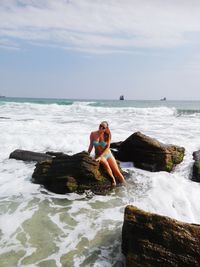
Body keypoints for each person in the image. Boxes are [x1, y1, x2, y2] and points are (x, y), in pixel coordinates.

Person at [88, 121, 126, 186]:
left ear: (106, 129)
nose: (101, 127)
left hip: (107, 154)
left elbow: (107, 148)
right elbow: (91, 145)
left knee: (117, 172)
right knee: (105, 164)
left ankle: (125, 185)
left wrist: (101, 156)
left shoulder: (107, 135)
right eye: (100, 125)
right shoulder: (93, 134)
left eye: (103, 127)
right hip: (98, 155)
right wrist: (87, 154)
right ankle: (113, 180)